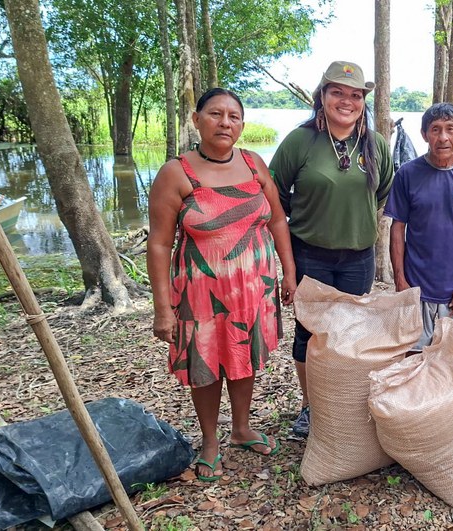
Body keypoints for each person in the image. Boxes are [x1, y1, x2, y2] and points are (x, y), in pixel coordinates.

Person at [147, 88, 297, 481]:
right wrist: (162, 309)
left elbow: (278, 220)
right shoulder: (176, 173)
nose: (225, 122)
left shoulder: (254, 164)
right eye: (215, 114)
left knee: (243, 357)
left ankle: (242, 428)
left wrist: (290, 272)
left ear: (242, 125)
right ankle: (211, 440)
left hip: (253, 287)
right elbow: (160, 243)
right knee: (207, 364)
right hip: (200, 293)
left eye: (233, 116)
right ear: (196, 120)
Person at [269, 61, 394, 438]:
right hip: (310, 254)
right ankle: (311, 407)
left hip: (357, 257)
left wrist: (351, 219)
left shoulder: (375, 144)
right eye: (337, 91)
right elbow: (273, 193)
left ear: (363, 102)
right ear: (321, 96)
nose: (346, 101)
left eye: (355, 95)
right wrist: (303, 223)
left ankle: (343, 402)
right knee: (310, 334)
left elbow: (383, 192)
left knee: (351, 334)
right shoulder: (300, 141)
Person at [384, 102, 453, 355]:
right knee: (415, 361)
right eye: (435, 130)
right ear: (425, 135)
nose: (443, 137)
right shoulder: (407, 174)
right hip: (418, 287)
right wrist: (401, 281)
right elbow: (397, 229)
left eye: (450, 129)